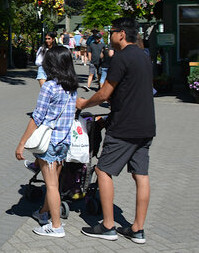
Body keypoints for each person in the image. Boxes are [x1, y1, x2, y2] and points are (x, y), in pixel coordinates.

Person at [77, 17, 156, 244]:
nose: (109, 36)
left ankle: (108, 225)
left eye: (112, 32)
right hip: (146, 126)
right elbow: (133, 94)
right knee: (141, 175)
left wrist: (83, 104)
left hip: (124, 128)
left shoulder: (121, 58)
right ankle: (138, 229)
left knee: (103, 171)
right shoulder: (144, 56)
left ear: (122, 34)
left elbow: (104, 94)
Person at [15, 46, 78, 238]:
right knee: (54, 183)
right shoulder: (72, 86)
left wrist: (22, 143)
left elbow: (36, 117)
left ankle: (56, 226)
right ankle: (44, 212)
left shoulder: (50, 86)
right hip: (64, 141)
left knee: (51, 185)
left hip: (49, 143)